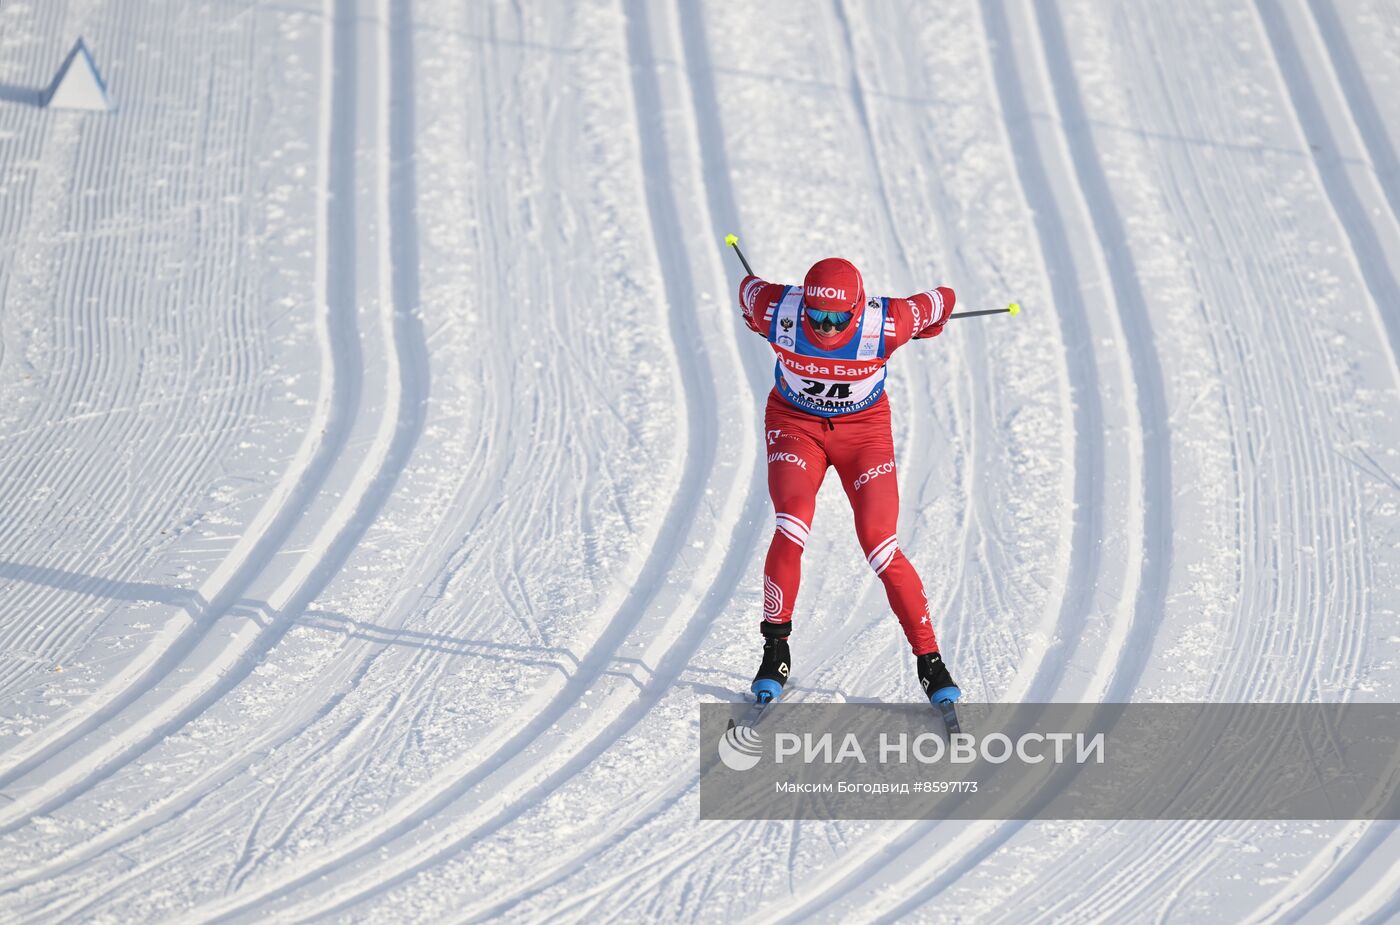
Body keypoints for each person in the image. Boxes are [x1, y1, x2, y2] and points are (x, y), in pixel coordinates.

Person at [738, 256, 960, 706]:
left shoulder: (889, 321)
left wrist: (929, 323)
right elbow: (747, 289)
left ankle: (930, 662)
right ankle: (775, 649)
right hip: (796, 423)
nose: (824, 326)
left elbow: (944, 299)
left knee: (880, 543)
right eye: (815, 315)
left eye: (837, 318)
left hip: (864, 434)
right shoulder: (777, 309)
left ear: (857, 308)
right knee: (791, 522)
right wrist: (752, 318)